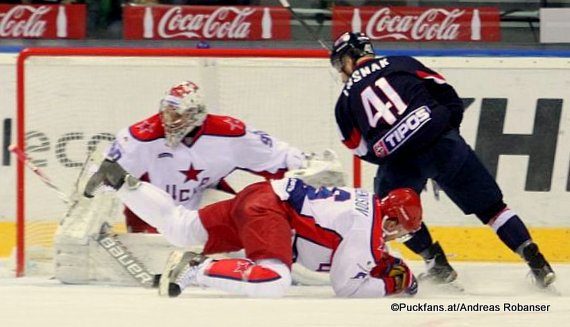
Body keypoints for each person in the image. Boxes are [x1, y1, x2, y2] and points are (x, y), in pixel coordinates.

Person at [329, 32, 555, 288]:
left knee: (389, 215)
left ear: (348, 59)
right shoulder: (402, 63)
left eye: (340, 64)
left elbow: (358, 148)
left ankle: (436, 263)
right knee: (493, 209)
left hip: (400, 161)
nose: (341, 72)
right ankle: (536, 260)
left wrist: (388, 153)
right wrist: (447, 132)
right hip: (443, 143)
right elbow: (446, 92)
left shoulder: (344, 102)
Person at [84, 159, 422, 298]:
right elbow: (347, 286)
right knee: (275, 279)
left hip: (262, 194)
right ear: (391, 220)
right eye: (397, 232)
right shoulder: (369, 225)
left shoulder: (365, 205)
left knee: (181, 226)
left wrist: (381, 264)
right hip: (271, 212)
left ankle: (119, 181)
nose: (392, 238)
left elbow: (351, 251)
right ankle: (197, 268)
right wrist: (393, 282)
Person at [104, 80, 311, 233]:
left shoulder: (228, 133)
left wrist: (306, 164)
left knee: (245, 212)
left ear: (195, 114)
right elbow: (104, 174)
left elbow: (277, 157)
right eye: (166, 113)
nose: (168, 121)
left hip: (200, 209)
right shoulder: (141, 137)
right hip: (153, 216)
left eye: (177, 115)